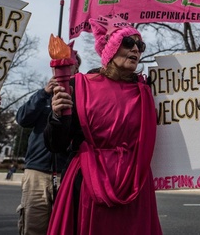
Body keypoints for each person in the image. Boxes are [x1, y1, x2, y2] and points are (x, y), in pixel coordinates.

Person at [44, 15, 161, 235]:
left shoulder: (147, 91)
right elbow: (56, 144)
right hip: (89, 183)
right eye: (128, 43)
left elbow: (169, 131)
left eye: (140, 45)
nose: (136, 49)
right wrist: (57, 117)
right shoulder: (78, 85)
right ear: (110, 48)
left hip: (135, 185)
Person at [15, 53, 80, 235]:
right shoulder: (42, 96)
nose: (60, 69)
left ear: (76, 69)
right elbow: (22, 119)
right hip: (36, 171)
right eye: (56, 66)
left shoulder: (81, 96)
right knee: (32, 226)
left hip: (66, 172)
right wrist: (43, 93)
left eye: (67, 65)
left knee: (66, 227)